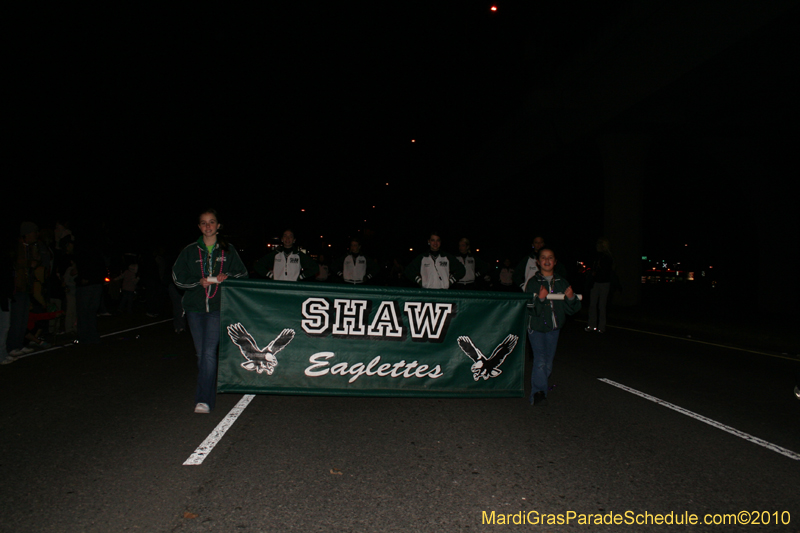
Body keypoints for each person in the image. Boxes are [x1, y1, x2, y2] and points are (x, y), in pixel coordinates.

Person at [172, 209, 248, 414]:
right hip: (194, 309)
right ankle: (207, 391)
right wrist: (197, 282)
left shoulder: (228, 249)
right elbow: (177, 277)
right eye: (204, 223)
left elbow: (243, 275)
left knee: (208, 353)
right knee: (201, 355)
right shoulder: (189, 251)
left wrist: (227, 276)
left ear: (218, 226)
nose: (208, 226)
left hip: (218, 307)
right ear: (199, 227)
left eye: (212, 222)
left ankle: (203, 400)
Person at [525, 248, 581, 406]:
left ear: (555, 262)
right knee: (540, 360)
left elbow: (572, 310)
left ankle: (541, 386)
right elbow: (530, 309)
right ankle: (538, 393)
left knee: (548, 363)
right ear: (538, 262)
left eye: (550, 257)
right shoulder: (533, 283)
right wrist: (541, 299)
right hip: (536, 328)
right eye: (543, 257)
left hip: (554, 329)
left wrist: (571, 298)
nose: (547, 260)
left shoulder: (562, 282)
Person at [585, 237, 613, 333]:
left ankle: (601, 326)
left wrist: (596, 273)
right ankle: (592, 325)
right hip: (596, 283)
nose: (597, 247)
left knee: (601, 305)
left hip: (604, 283)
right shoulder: (597, 256)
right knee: (593, 304)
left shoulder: (607, 257)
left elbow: (606, 271)